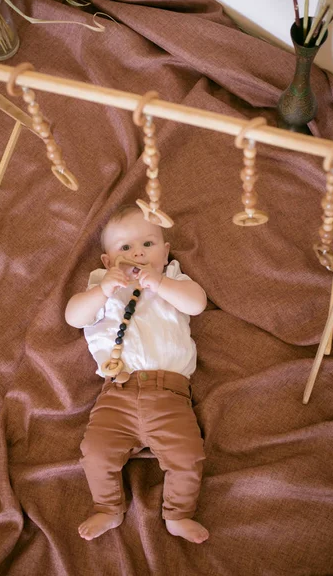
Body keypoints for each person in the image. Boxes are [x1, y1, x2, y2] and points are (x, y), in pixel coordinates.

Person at [65, 205, 208, 543]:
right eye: (125, 248)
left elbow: (196, 304)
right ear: (107, 262)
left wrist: (158, 282)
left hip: (169, 395)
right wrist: (102, 291)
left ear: (166, 252)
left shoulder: (173, 279)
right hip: (117, 393)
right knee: (95, 453)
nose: (138, 253)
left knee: (188, 456)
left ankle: (178, 514)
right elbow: (74, 316)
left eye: (148, 244)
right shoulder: (101, 285)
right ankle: (108, 508)